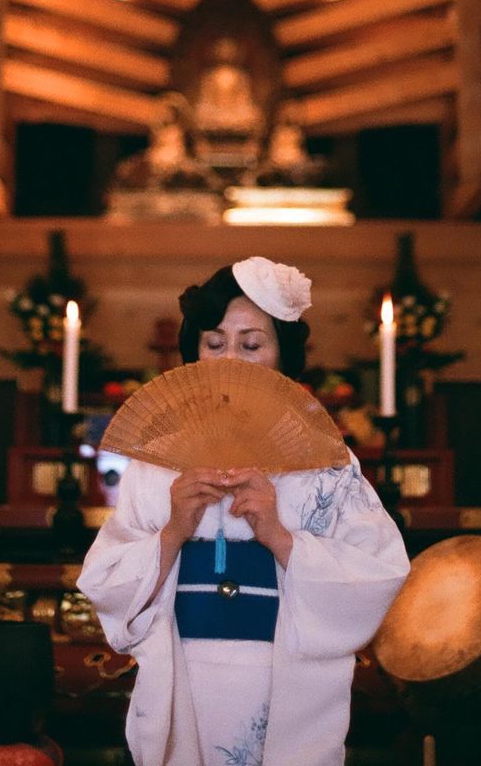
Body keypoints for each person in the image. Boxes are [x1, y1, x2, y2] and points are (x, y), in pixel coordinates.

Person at [77, 256, 410, 766]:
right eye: (214, 343)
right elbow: (105, 583)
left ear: (283, 355)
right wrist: (171, 534)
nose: (230, 358)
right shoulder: (155, 461)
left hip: (282, 675)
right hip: (184, 673)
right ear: (195, 352)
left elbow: (381, 574)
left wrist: (280, 536)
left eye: (251, 344)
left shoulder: (327, 462)